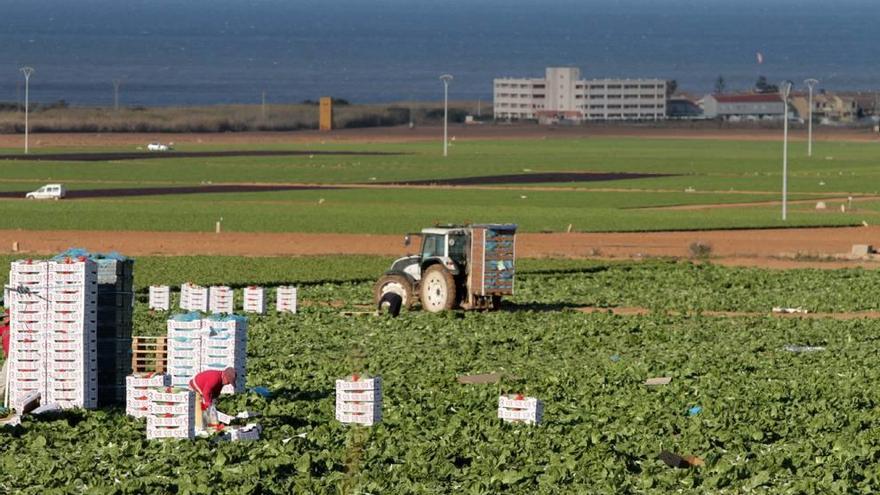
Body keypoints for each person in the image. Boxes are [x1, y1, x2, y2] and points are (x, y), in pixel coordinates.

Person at [0, 310, 10, 400]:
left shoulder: (14, 327)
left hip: (15, 356)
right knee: (3, 377)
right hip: (8, 357)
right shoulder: (3, 328)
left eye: (6, 316)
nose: (4, 318)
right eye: (3, 317)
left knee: (4, 377)